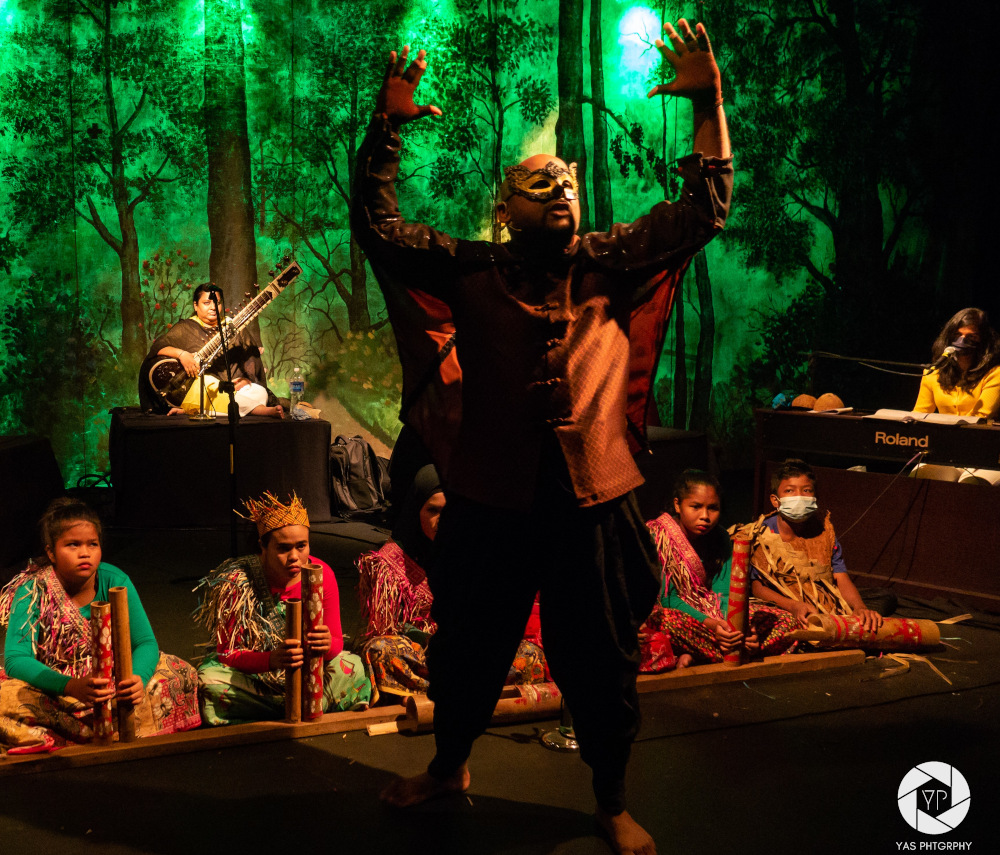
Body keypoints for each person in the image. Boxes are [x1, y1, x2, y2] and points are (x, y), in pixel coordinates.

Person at [351, 18, 731, 854]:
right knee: (468, 649)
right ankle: (450, 765)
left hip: (593, 502)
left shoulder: (611, 259)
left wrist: (708, 100)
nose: (560, 184)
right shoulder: (470, 267)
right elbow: (378, 227)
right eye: (538, 179)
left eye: (566, 176)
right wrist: (386, 127)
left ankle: (611, 796)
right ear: (503, 206)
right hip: (492, 499)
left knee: (600, 658)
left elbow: (706, 206)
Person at [0, 498, 201, 753]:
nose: (85, 553)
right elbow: (16, 659)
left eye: (92, 544)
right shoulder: (32, 590)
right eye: (73, 544)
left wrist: (136, 678)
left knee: (182, 673)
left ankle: (76, 733)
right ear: (51, 552)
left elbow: (145, 642)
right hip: (56, 687)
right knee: (5, 700)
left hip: (113, 685)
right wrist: (70, 686)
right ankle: (91, 729)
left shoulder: (115, 579)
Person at [358, 465, 547, 702]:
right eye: (433, 511)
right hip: (423, 653)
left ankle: (447, 694)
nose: (442, 521)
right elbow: (387, 629)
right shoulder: (389, 562)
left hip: (472, 651)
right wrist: (429, 640)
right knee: (379, 651)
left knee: (530, 654)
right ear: (417, 510)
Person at [193, 492, 370, 725]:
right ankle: (303, 703)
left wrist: (326, 646)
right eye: (284, 548)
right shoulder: (237, 580)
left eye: (301, 546)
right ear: (263, 546)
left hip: (308, 673)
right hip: (256, 676)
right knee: (209, 681)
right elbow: (228, 653)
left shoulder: (322, 573)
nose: (295, 557)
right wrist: (272, 659)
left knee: (353, 667)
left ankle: (282, 706)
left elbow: (336, 642)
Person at [640, 471, 798, 670]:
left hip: (717, 621)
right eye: (695, 507)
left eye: (712, 508)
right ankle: (734, 651)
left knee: (785, 622)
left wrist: (737, 629)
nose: (705, 516)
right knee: (663, 621)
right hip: (682, 617)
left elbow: (724, 593)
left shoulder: (721, 537)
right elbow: (668, 599)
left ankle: (710, 652)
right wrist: (712, 626)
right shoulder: (658, 536)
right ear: (678, 505)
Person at [736, 459, 883, 633]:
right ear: (775, 500)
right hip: (783, 607)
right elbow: (757, 587)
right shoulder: (761, 534)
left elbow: (840, 577)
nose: (799, 497)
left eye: (806, 490)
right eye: (790, 491)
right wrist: (793, 606)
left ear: (815, 497)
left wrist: (860, 607)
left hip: (825, 609)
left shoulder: (823, 533)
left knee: (877, 612)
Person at [138, 283, 283, 417]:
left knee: (260, 393)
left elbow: (251, 365)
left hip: (230, 390)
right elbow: (158, 347)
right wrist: (182, 355)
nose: (213, 307)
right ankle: (261, 411)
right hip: (203, 389)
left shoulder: (232, 325)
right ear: (196, 305)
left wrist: (244, 381)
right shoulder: (186, 328)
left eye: (217, 302)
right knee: (207, 384)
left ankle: (191, 410)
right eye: (206, 303)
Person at [913, 307, 1000, 420]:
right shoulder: (933, 372)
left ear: (983, 340)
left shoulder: (995, 373)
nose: (962, 340)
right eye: (957, 335)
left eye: (972, 336)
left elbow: (981, 416)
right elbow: (920, 413)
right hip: (942, 435)